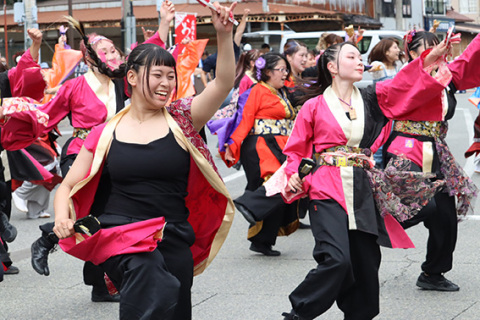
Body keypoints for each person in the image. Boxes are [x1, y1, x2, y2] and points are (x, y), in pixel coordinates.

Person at [48, 2, 235, 319]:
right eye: (157, 75)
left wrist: (224, 33)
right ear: (131, 77)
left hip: (173, 237)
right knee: (146, 290)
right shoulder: (105, 132)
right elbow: (66, 185)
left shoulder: (182, 119)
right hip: (123, 239)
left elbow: (223, 83)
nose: (166, 84)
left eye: (171, 77)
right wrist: (61, 218)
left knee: (175, 305)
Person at [0, 2, 174, 302]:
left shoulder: (124, 83)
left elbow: (148, 60)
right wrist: (14, 109)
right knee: (93, 213)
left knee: (108, 219)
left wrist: (164, 26)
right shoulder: (74, 87)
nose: (113, 55)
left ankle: (89, 275)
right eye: (105, 51)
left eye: (115, 50)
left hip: (116, 154)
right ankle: (56, 241)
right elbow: (45, 115)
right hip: (82, 153)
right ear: (90, 58)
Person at [278, 40, 453, 320]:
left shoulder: (372, 97)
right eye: (352, 57)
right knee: (336, 260)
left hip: (362, 187)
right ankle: (299, 313)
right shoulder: (313, 106)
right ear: (332, 67)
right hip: (325, 187)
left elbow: (404, 84)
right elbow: (296, 150)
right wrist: (294, 174)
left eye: (361, 57)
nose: (360, 61)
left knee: (365, 265)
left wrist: (431, 57)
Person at [382, 30, 480, 292]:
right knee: (417, 208)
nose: (437, 52)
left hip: (437, 151)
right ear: (412, 53)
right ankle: (366, 232)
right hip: (408, 151)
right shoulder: (405, 77)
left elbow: (471, 59)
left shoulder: (446, 77)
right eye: (428, 49)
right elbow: (407, 90)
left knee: (445, 215)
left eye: (440, 47)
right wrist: (426, 64)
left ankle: (433, 272)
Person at [218, 53, 302, 256]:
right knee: (276, 185)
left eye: (285, 69)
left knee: (283, 188)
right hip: (260, 146)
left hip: (279, 145)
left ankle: (262, 240)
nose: (285, 73)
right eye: (281, 69)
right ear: (267, 72)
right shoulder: (257, 91)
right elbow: (245, 119)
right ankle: (248, 202)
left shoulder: (280, 92)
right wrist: (232, 145)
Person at [367, 37, 403, 168]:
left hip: (395, 112)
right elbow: (373, 68)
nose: (398, 50)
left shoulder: (397, 66)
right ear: (386, 52)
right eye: (395, 47)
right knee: (380, 143)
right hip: (381, 113)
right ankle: (376, 171)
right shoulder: (380, 66)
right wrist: (369, 68)